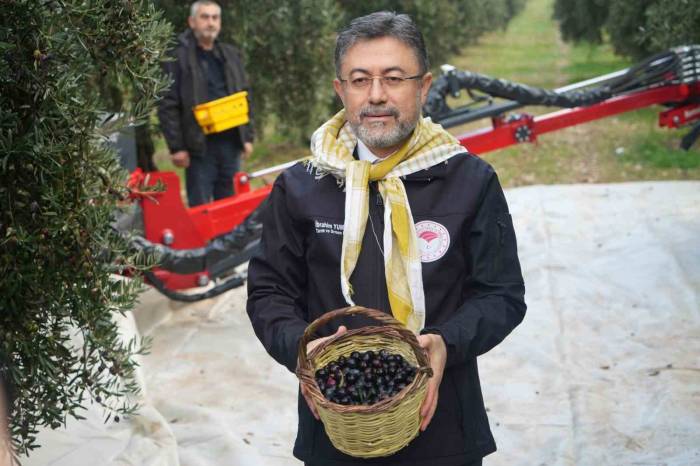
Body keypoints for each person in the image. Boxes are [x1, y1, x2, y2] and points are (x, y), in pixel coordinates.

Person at [247, 11, 526, 466]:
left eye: (394, 78)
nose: (376, 96)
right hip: (333, 432)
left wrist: (446, 342)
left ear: (424, 86)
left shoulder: (469, 180)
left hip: (444, 432)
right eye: (360, 80)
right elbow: (269, 291)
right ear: (341, 90)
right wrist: (300, 345)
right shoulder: (301, 186)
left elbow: (502, 295)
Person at [158, 0, 255, 207]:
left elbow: (245, 96)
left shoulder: (230, 54)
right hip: (199, 148)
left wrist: (247, 136)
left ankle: (227, 241)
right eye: (205, 17)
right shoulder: (176, 56)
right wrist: (177, 147)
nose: (210, 23)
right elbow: (168, 104)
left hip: (231, 144)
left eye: (215, 17)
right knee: (201, 208)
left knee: (231, 207)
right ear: (192, 22)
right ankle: (205, 242)